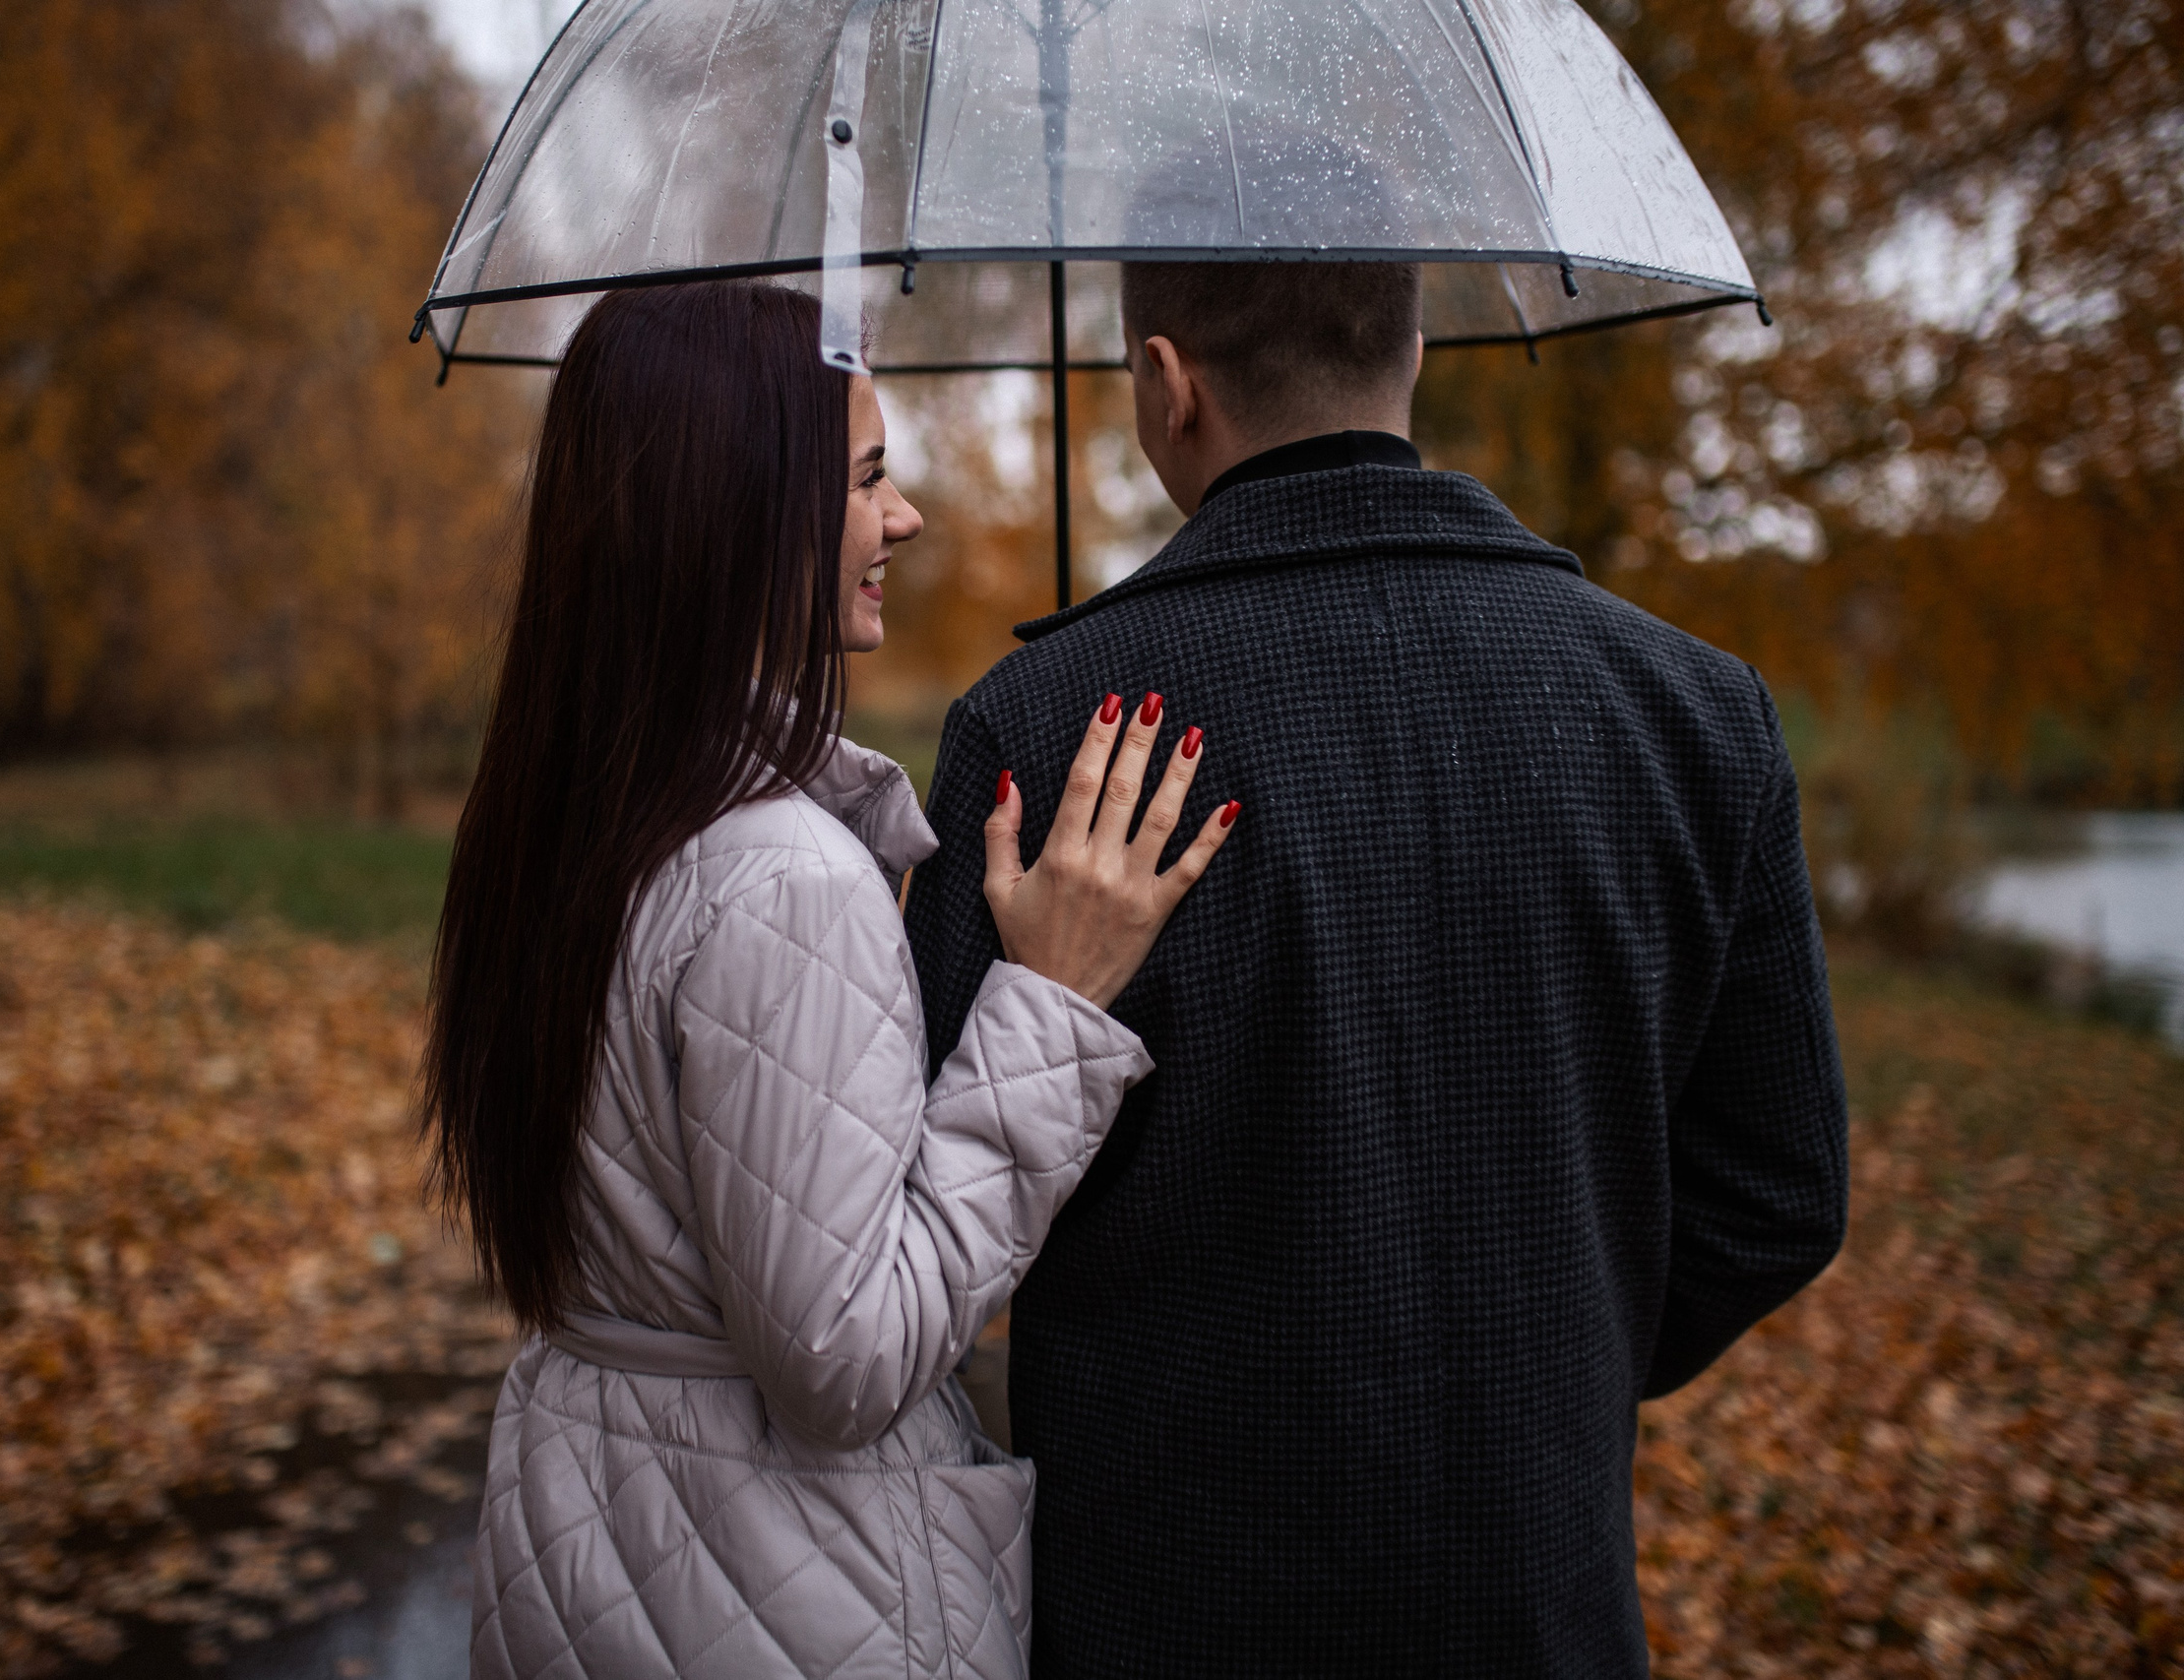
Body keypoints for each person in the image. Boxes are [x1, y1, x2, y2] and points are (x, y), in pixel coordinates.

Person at [902, 259, 1851, 1676]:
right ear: (1413, 345)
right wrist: (1550, 1365)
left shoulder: (1045, 735)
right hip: (1537, 1604)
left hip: (1160, 1606)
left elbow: (918, 1224)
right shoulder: (1695, 714)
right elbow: (1780, 1193)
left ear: (1168, 383)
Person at [425, 279, 1238, 1679]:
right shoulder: (782, 878)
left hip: (602, 1538)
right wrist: (1049, 1009)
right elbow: (844, 1364)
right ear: (739, 514)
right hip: (784, 1588)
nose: (904, 520)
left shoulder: (578, 811)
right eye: (867, 481)